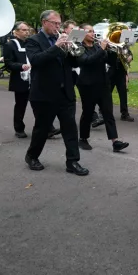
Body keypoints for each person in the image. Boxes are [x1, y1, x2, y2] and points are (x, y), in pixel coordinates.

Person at [24, 10, 88, 176]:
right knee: (42, 129)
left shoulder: (63, 39)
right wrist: (57, 47)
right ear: (44, 22)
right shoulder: (33, 40)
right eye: (55, 23)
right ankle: (32, 156)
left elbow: (75, 61)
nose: (58, 27)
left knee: (70, 128)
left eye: (60, 24)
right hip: (44, 93)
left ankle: (73, 161)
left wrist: (73, 47)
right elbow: (36, 61)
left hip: (65, 91)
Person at [76, 24, 130, 153]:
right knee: (88, 113)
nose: (93, 33)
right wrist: (102, 49)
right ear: (82, 34)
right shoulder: (79, 48)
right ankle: (83, 138)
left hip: (103, 84)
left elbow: (109, 62)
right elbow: (87, 61)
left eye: (93, 31)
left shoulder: (97, 46)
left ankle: (115, 141)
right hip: (87, 85)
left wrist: (114, 51)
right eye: (89, 31)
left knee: (108, 113)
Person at [2, 21, 33, 139]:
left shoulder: (31, 43)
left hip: (34, 77)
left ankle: (48, 127)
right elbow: (8, 63)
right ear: (16, 32)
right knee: (21, 105)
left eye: (27, 30)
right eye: (24, 30)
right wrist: (21, 66)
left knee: (39, 104)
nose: (27, 32)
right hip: (20, 79)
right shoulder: (10, 45)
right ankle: (19, 128)